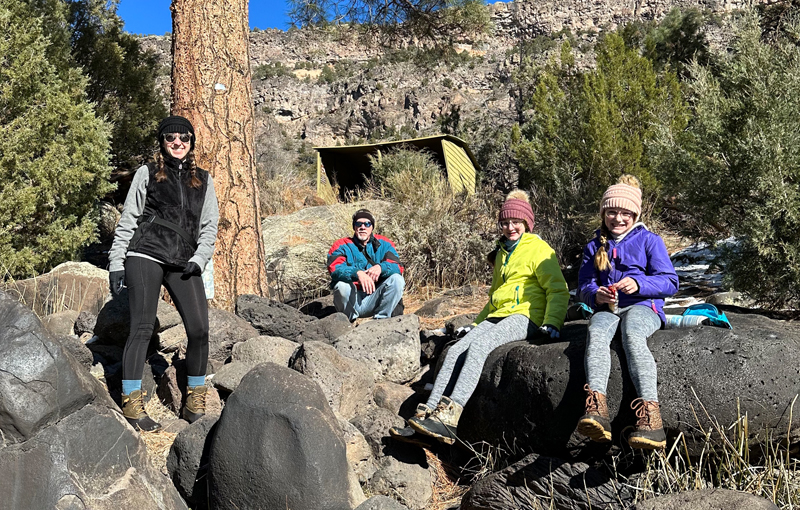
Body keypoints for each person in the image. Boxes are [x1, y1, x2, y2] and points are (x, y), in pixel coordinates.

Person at [400, 190, 570, 445]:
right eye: (505, 222)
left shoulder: (538, 249)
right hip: (499, 315)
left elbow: (557, 289)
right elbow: (494, 297)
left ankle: (450, 417)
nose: (510, 227)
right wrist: (475, 324)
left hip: (527, 315)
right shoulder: (502, 252)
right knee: (457, 350)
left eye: (516, 222)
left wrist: (553, 323)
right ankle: (429, 413)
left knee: (480, 348)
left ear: (526, 223)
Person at [108, 115, 219, 432]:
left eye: (184, 138)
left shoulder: (204, 181)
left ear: (191, 142)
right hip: (146, 254)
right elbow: (129, 219)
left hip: (185, 259)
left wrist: (200, 257)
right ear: (162, 142)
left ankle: (193, 402)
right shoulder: (148, 173)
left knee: (199, 330)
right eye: (171, 138)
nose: (178, 143)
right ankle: (132, 403)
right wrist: (117, 261)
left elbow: (209, 227)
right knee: (142, 328)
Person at [576, 175, 678, 450]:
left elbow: (670, 282)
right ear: (603, 213)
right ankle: (597, 410)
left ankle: (651, 420)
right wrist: (594, 294)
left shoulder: (649, 240)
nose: (618, 218)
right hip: (608, 308)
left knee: (632, 334)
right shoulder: (593, 245)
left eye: (625, 213)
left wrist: (639, 283)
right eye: (611, 211)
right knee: (596, 333)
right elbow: (583, 285)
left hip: (644, 306)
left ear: (635, 214)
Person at [327, 209, 405, 321]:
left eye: (367, 224)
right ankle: (348, 323)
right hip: (353, 299)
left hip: (375, 297)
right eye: (359, 224)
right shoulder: (341, 245)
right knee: (341, 286)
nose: (363, 227)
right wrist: (357, 273)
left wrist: (381, 267)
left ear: (372, 227)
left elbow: (398, 267)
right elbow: (335, 269)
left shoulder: (385, 243)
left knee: (397, 280)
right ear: (354, 227)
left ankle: (381, 320)